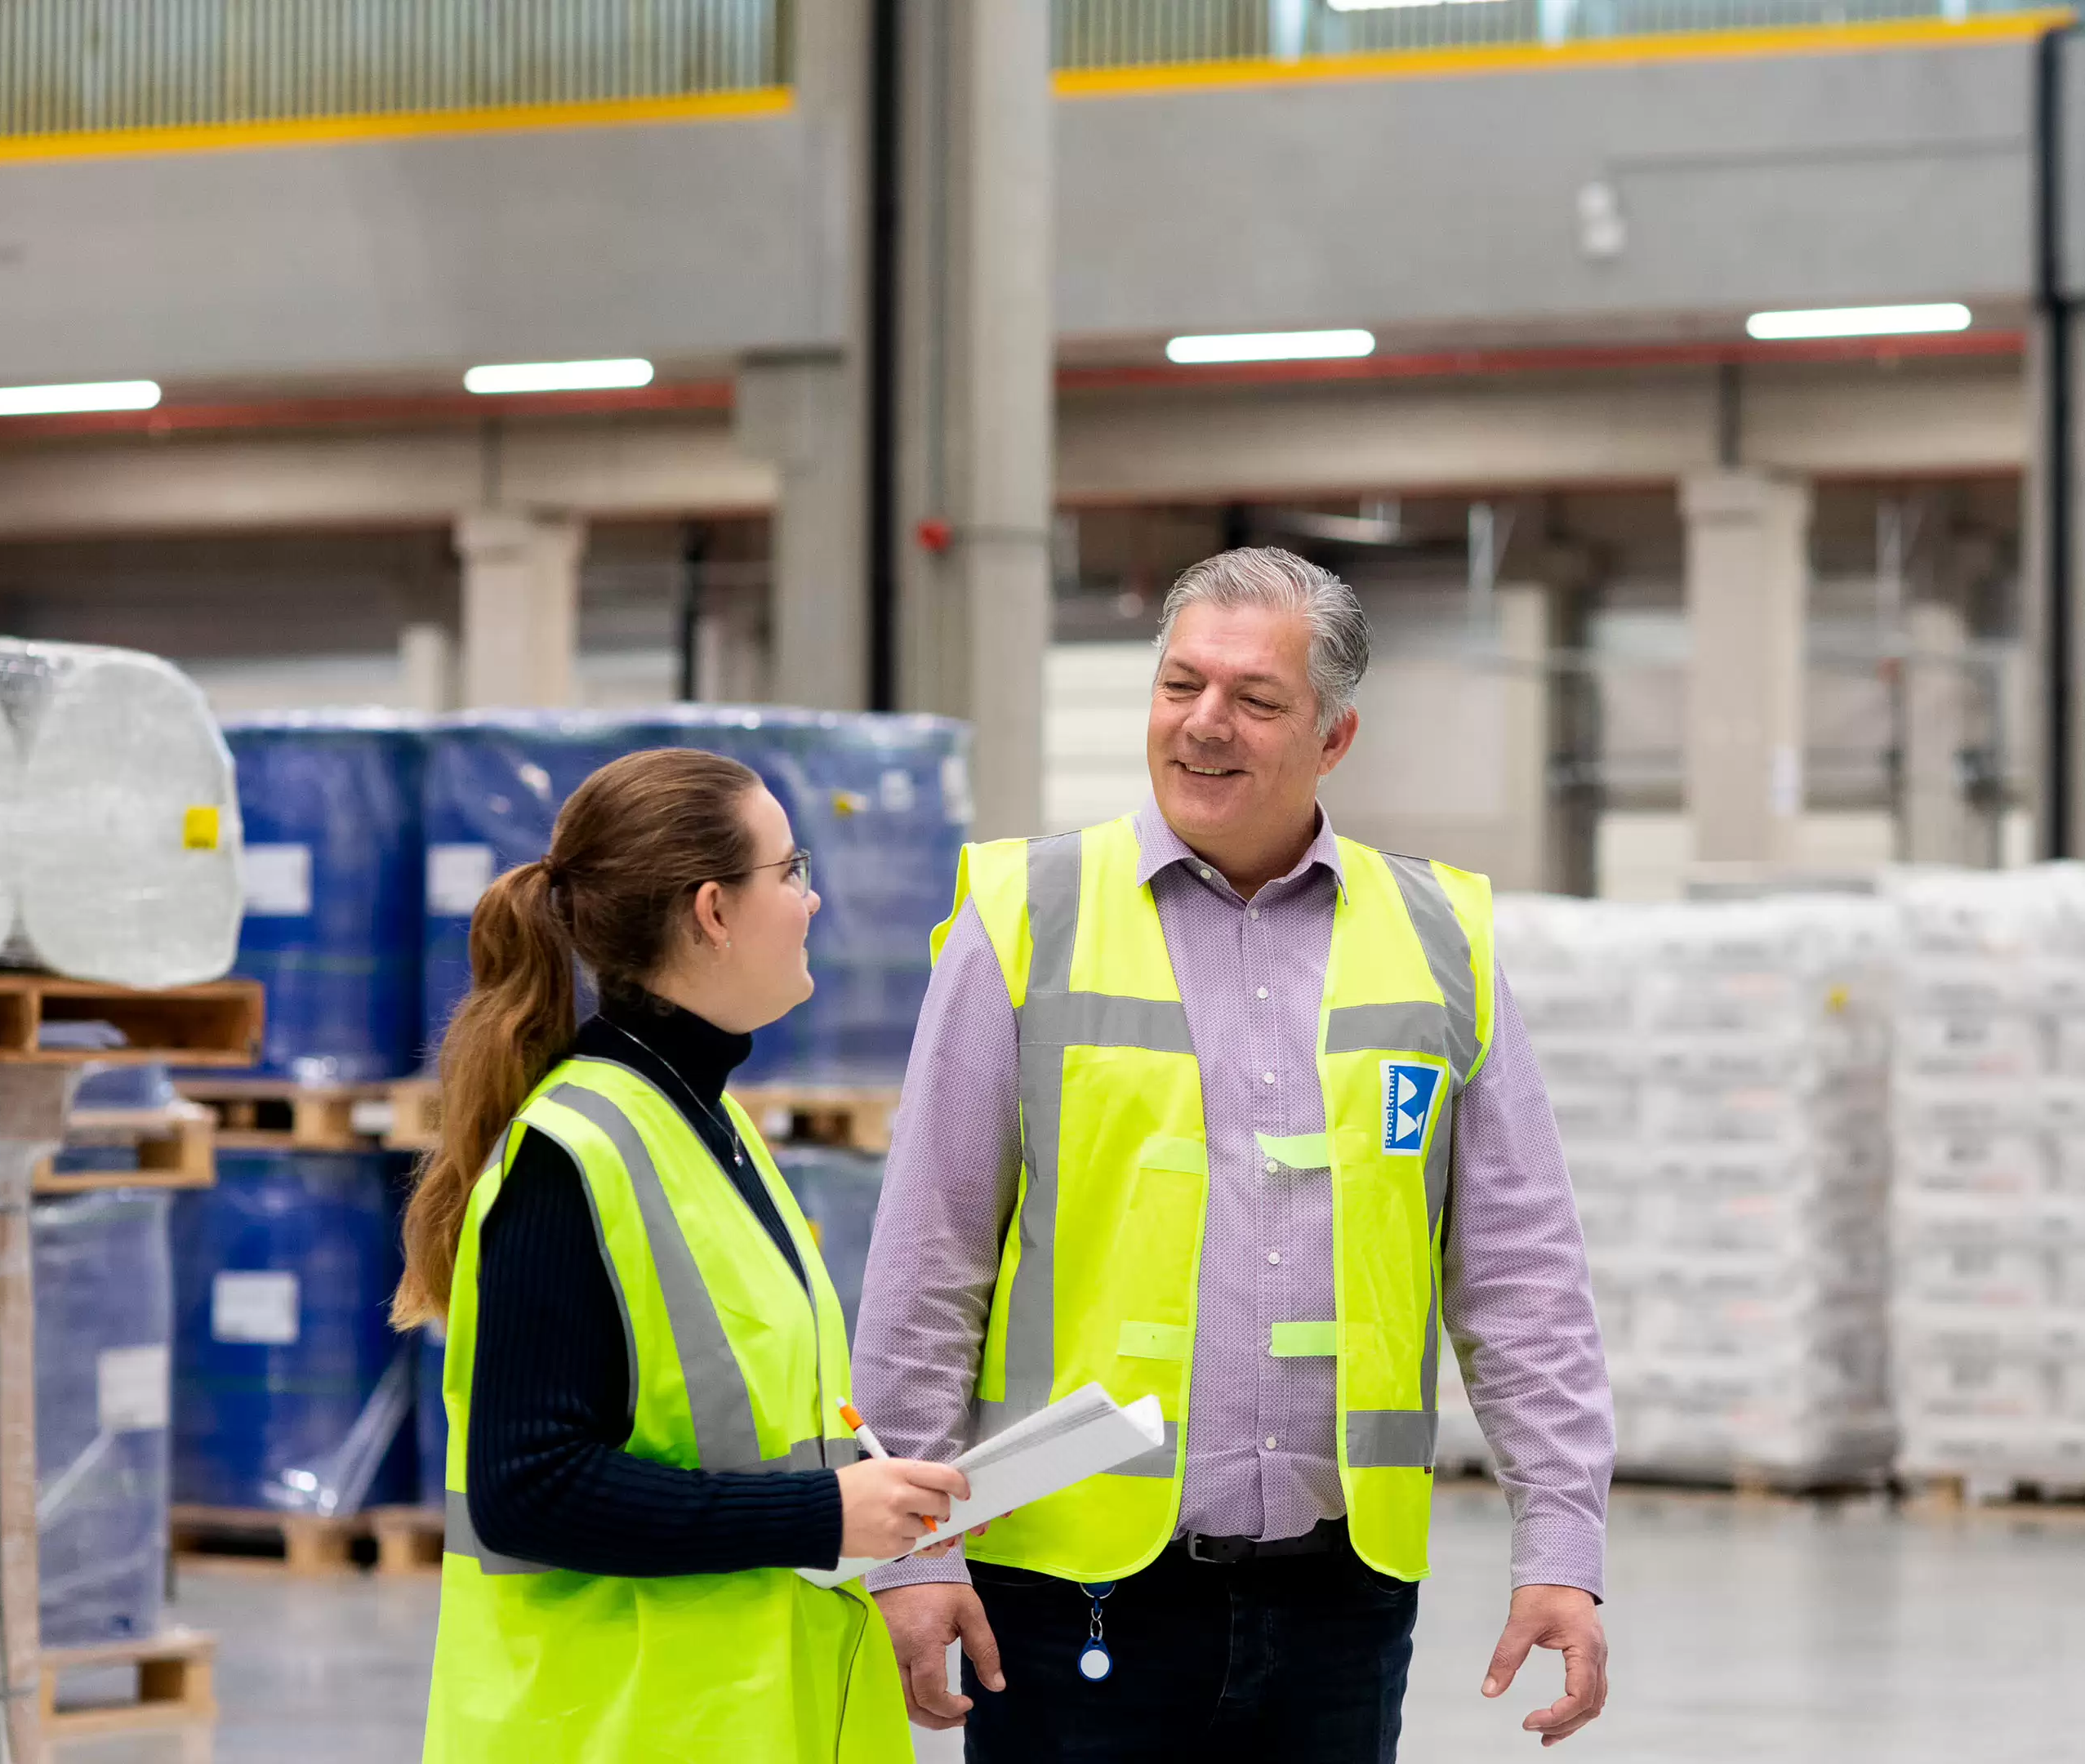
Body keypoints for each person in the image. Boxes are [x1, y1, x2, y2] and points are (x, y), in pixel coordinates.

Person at [853, 547, 1615, 1761]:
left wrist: (1561, 1548)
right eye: (1180, 686)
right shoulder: (1026, 915)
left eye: (1256, 700)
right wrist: (911, 1551)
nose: (1205, 723)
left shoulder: (1439, 938)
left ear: (1333, 737)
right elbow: (927, 1261)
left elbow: (1523, 1278)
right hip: (1069, 1595)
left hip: (1341, 1605)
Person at [396, 746, 962, 1762]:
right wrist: (820, 1512)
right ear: (713, 911)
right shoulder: (572, 1155)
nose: (812, 900)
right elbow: (528, 1490)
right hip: (619, 1727)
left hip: (746, 1717)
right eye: (790, 870)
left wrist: (879, 1502)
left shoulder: (711, 1127)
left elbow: (733, 1431)